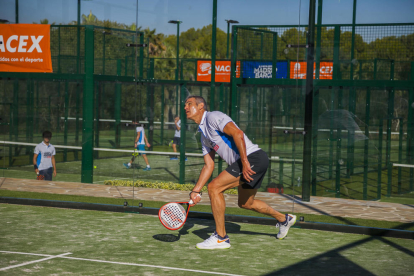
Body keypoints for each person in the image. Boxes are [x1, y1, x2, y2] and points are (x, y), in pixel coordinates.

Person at [185, 95, 296, 250]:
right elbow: (208, 166)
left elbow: (238, 133)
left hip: (252, 158)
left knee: (214, 188)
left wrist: (244, 162)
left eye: (189, 104)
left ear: (201, 105)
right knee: (245, 203)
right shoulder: (204, 136)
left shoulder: (213, 117)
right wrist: (196, 190)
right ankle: (284, 219)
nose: (185, 107)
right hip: (253, 160)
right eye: (186, 105)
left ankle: (220, 237)